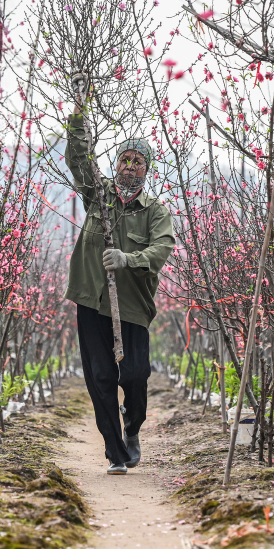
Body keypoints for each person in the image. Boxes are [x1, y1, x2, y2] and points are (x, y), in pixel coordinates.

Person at [64, 84, 175, 475]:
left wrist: (128, 259)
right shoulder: (99, 196)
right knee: (101, 375)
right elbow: (78, 159)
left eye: (137, 162)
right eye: (124, 160)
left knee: (135, 374)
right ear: (116, 165)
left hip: (132, 306)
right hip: (91, 300)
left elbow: (161, 250)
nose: (129, 166)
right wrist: (79, 114)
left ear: (147, 170)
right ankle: (116, 452)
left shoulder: (156, 211)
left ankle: (133, 427)